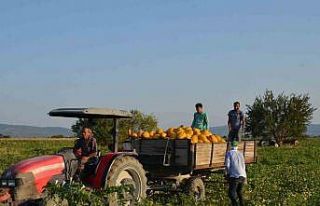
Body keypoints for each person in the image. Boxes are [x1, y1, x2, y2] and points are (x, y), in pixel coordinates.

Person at [225, 141, 247, 206]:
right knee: (239, 192)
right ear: (237, 146)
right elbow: (243, 165)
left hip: (235, 176)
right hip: (242, 175)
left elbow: (227, 165)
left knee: (231, 193)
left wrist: (228, 174)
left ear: (231, 146)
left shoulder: (229, 153)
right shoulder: (240, 153)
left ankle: (235, 204)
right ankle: (242, 204)